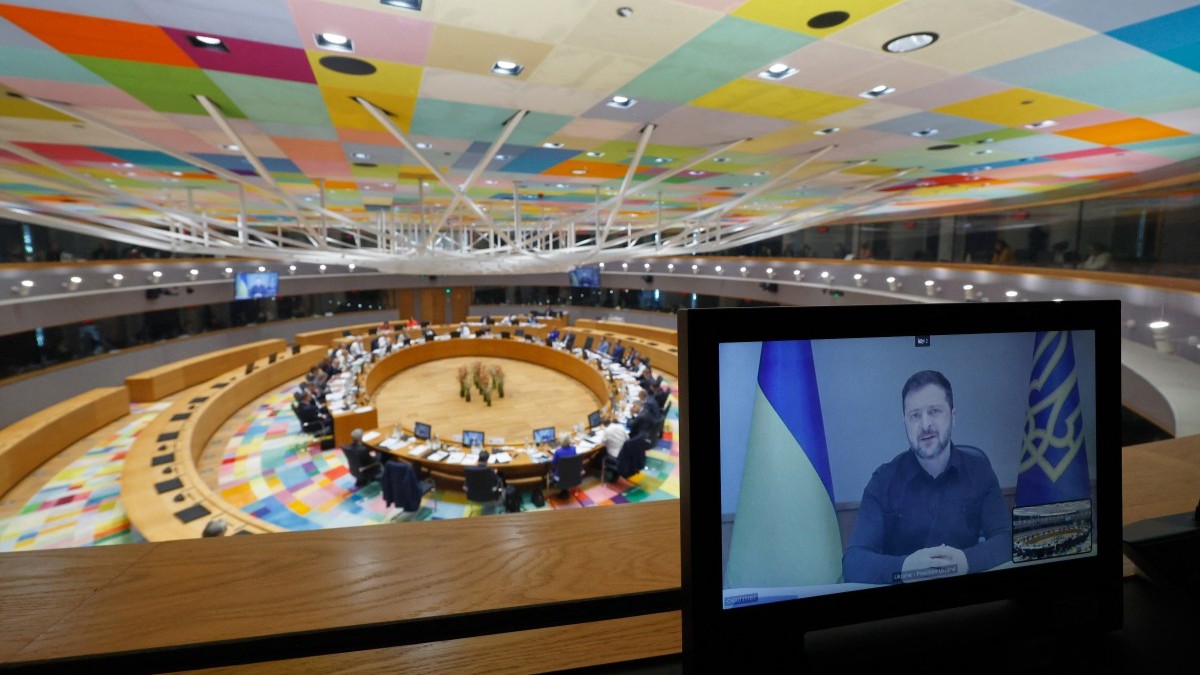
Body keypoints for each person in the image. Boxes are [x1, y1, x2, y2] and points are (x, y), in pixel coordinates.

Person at [842, 370, 1011, 585]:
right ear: (905, 422)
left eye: (934, 411)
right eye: (915, 415)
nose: (925, 425)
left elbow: (1007, 540)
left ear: (953, 416)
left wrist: (966, 561)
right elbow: (854, 563)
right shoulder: (883, 481)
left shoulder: (980, 471)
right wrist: (906, 569)